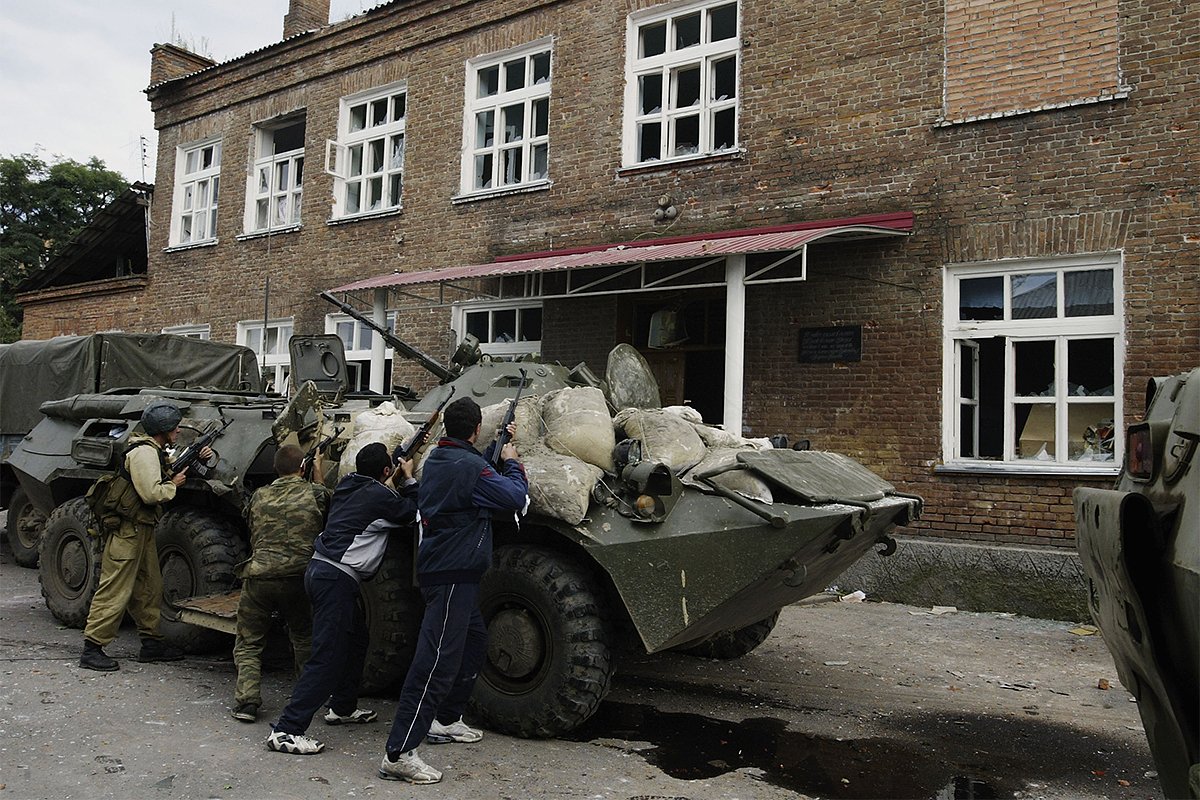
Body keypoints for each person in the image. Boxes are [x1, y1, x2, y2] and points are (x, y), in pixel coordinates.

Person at [379, 396, 528, 784]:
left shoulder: (443, 459)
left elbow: (474, 478)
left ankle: (445, 719)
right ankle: (399, 752)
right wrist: (512, 460)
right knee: (435, 664)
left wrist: (497, 447)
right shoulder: (467, 465)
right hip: (451, 575)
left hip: (447, 572)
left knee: (473, 642)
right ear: (475, 430)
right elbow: (514, 497)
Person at [266, 442, 418, 755]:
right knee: (327, 656)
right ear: (386, 471)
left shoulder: (348, 485)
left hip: (322, 572)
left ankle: (343, 707)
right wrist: (411, 478)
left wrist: (391, 479)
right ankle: (287, 730)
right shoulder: (380, 496)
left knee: (356, 640)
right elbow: (413, 512)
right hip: (336, 578)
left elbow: (378, 495)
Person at [79, 401, 208, 671]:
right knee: (115, 589)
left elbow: (168, 467)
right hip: (128, 531)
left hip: (142, 530)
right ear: (163, 430)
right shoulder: (144, 454)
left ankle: (151, 643)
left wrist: (197, 458)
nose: (177, 432)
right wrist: (173, 485)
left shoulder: (154, 451)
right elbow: (152, 493)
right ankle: (92, 648)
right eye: (173, 428)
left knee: (149, 588)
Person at [230, 444, 332, 723]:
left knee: (249, 641)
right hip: (299, 576)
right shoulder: (315, 492)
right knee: (303, 637)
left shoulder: (260, 495)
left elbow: (249, 524)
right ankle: (307, 695)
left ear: (275, 469)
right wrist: (318, 470)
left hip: (260, 576)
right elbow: (325, 505)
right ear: (303, 468)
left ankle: (247, 702)